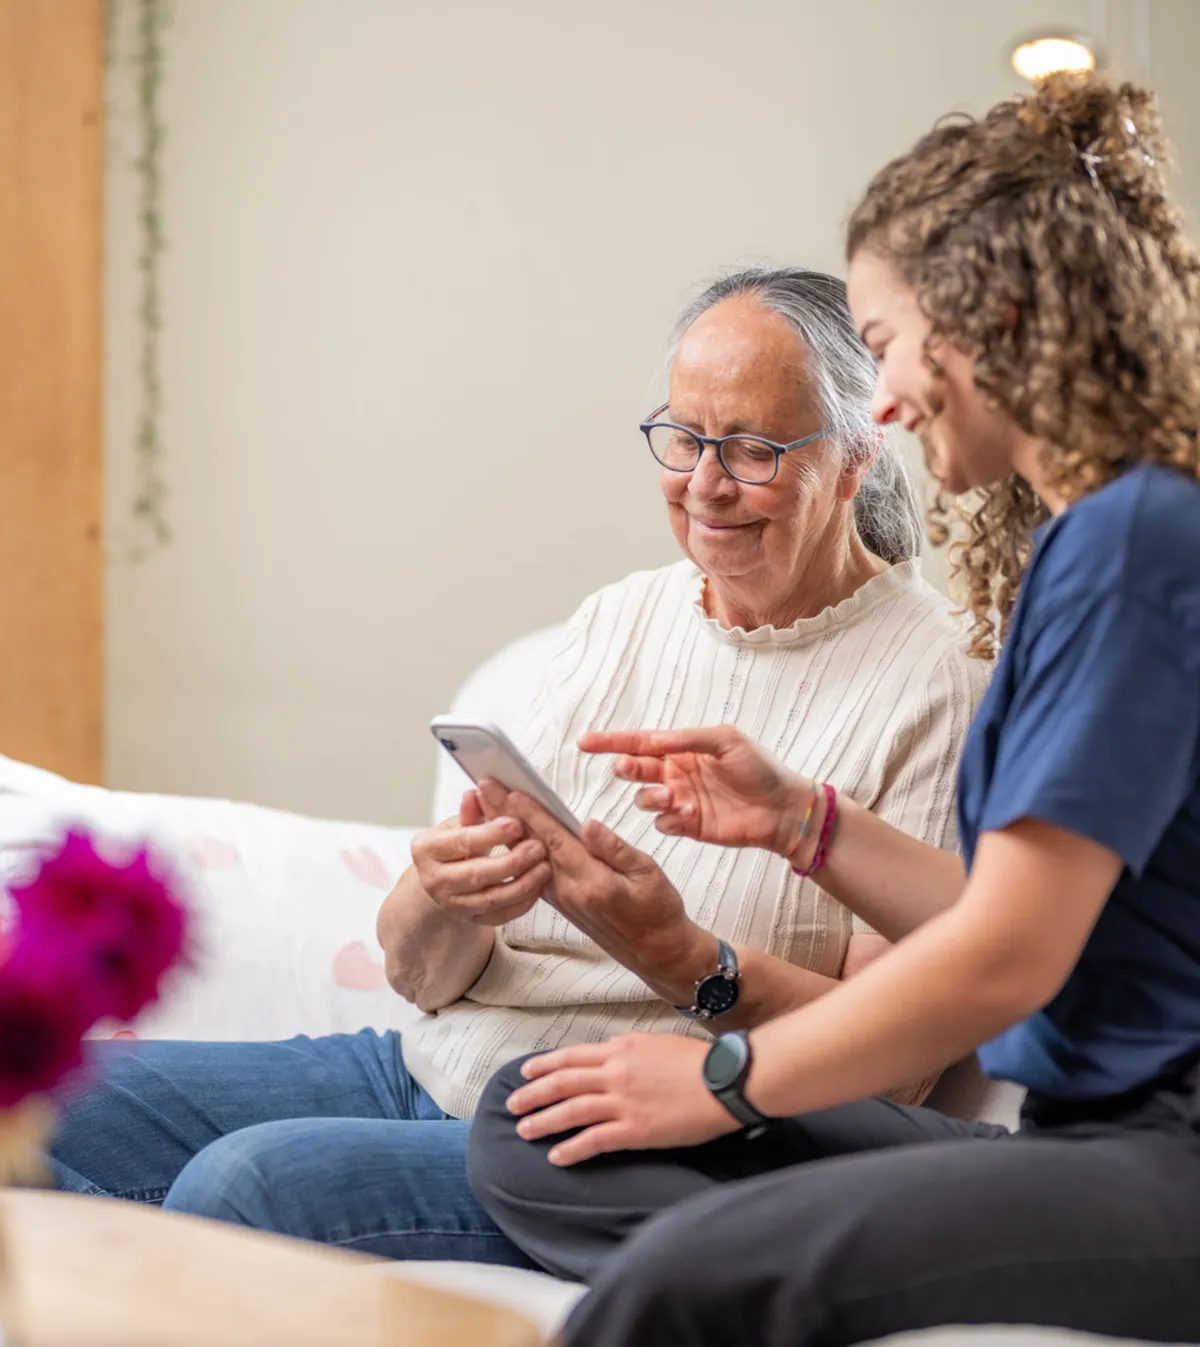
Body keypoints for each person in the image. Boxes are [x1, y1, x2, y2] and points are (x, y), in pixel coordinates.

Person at [466, 71, 1200, 1346]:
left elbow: (1009, 960)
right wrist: (803, 822)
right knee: (537, 1116)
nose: (889, 402)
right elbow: (1021, 918)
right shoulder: (1096, 538)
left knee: (685, 1276)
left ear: (994, 320)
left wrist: (726, 1076)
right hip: (1086, 1140)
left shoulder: (1137, 542)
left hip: (1165, 1156)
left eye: (889, 345)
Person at [50, 268, 988, 1263]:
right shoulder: (620, 618)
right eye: (684, 438)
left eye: (752, 450)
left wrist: (683, 958)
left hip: (604, 1144)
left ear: (854, 456)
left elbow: (895, 1073)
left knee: (242, 1184)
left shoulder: (941, 678)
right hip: (430, 1067)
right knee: (39, 1104)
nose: (705, 484)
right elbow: (421, 976)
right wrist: (445, 894)